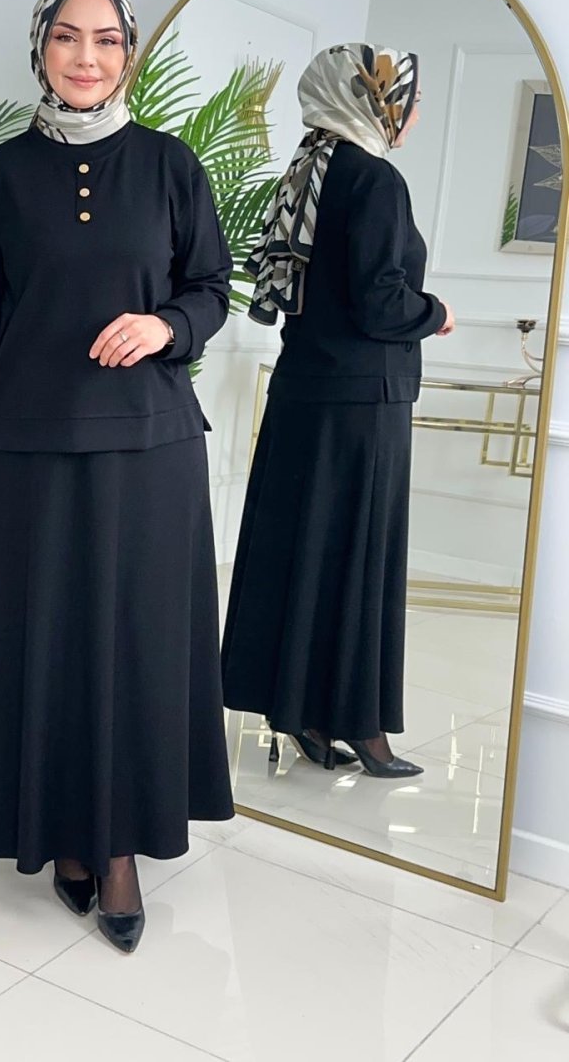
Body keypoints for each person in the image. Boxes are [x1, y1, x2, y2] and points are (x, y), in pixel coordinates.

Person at [0, 0, 235, 953]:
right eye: (67, 37)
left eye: (106, 39)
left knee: (136, 646)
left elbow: (212, 286)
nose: (87, 56)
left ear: (128, 52)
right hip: (28, 452)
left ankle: (120, 848)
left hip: (151, 450)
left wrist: (165, 324)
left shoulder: (171, 165)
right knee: (42, 643)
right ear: (41, 48)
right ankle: (59, 832)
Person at [220, 43, 455, 778]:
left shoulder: (308, 170)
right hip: (361, 406)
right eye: (408, 99)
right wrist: (437, 312)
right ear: (376, 101)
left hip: (302, 396)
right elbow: (382, 303)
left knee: (306, 551)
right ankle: (361, 725)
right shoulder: (374, 179)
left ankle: (305, 713)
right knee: (356, 558)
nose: (413, 112)